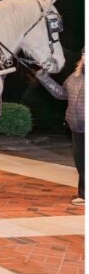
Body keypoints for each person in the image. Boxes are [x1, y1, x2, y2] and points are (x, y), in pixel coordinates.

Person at [36, 49, 85, 205]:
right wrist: (44, 78)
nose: (85, 57)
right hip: (76, 126)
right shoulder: (74, 77)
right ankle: (83, 195)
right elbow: (62, 94)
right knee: (81, 162)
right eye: (84, 54)